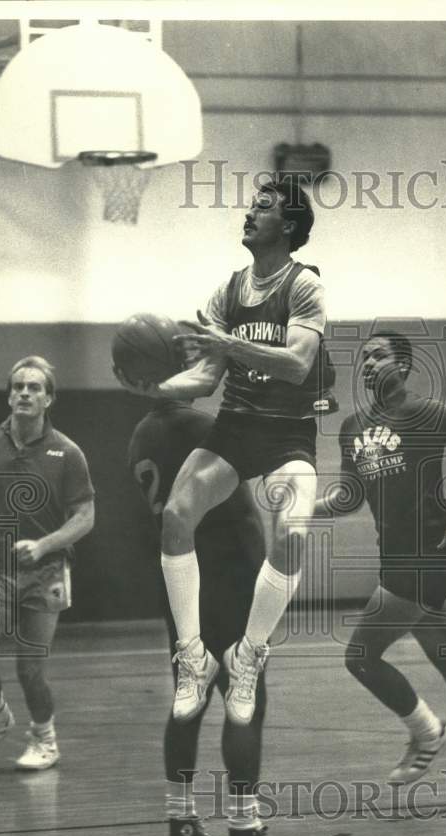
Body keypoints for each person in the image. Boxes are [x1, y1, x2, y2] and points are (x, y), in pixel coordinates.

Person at [117, 176, 336, 731]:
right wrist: (156, 389)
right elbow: (208, 375)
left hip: (288, 433)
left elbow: (297, 363)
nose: (249, 212)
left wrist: (230, 344)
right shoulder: (227, 290)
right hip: (237, 426)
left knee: (292, 534)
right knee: (175, 516)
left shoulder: (305, 286)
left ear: (286, 225)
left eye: (262, 206)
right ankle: (193, 657)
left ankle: (248, 655)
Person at [313, 331, 446, 798]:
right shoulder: (353, 426)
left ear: (404, 367)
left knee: (361, 657)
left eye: (380, 355)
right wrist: (311, 506)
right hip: (397, 558)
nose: (369, 363)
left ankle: (428, 733)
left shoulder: (426, 413)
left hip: (429, 557)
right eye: (365, 357)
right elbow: (351, 494)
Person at [124, 389, 312, 836]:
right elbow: (254, 491)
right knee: (246, 700)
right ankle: (245, 834)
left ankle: (182, 826)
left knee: (189, 694)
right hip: (229, 572)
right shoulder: (206, 424)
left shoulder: (141, 433)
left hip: (182, 580)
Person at [0, 356, 95, 770]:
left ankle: (45, 739)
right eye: (18, 385)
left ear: (49, 398)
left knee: (29, 670)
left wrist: (43, 546)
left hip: (47, 572)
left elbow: (86, 516)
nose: (24, 392)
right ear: (9, 394)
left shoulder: (68, 453)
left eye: (34, 387)